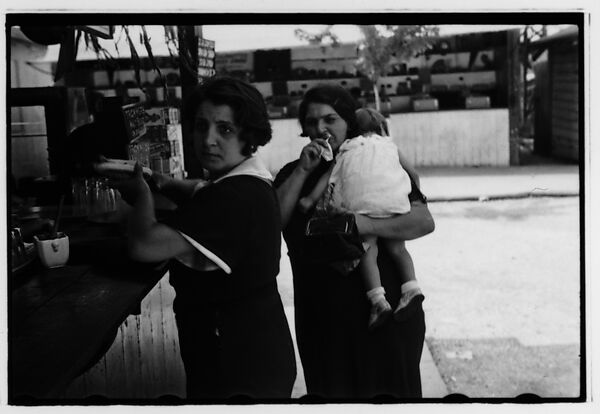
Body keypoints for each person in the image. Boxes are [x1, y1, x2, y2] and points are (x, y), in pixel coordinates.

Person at [112, 77, 296, 400]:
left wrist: (141, 194)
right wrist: (164, 182)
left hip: (237, 363)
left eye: (224, 130)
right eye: (200, 126)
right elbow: (200, 189)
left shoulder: (234, 197)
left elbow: (144, 246)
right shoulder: (248, 180)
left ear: (248, 136)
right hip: (254, 348)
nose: (207, 140)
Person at [274, 84, 434, 399]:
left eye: (330, 119)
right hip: (325, 324)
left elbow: (423, 221)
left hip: (386, 318)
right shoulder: (293, 174)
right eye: (311, 121)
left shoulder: (374, 162)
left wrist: (363, 223)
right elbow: (273, 223)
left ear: (348, 120)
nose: (320, 128)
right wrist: (303, 170)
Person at [297, 107, 425, 330]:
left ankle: (378, 300)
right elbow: (412, 172)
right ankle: (411, 288)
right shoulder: (389, 145)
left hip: (362, 206)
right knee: (398, 249)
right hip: (394, 203)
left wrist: (309, 199)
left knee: (369, 251)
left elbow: (328, 178)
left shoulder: (347, 148)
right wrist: (417, 193)